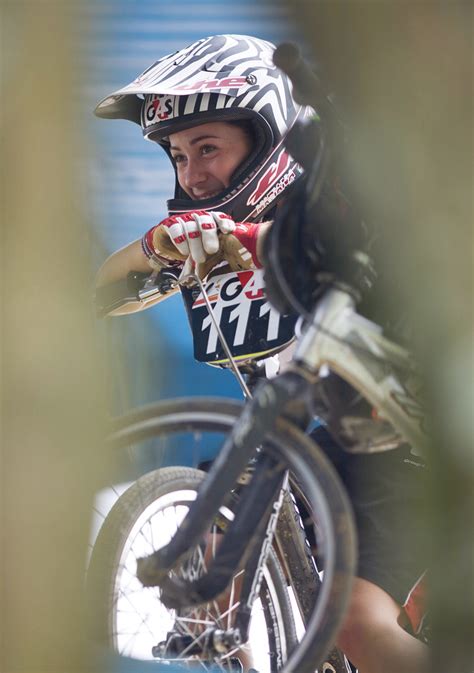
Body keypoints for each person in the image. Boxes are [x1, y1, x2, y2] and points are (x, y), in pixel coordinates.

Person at [94, 34, 429, 673]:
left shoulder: (338, 188)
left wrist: (247, 240)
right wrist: (161, 248)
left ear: (268, 136)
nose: (190, 174)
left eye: (208, 148)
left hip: (416, 445)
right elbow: (100, 293)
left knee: (356, 621)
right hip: (316, 443)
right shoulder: (207, 238)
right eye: (177, 155)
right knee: (213, 564)